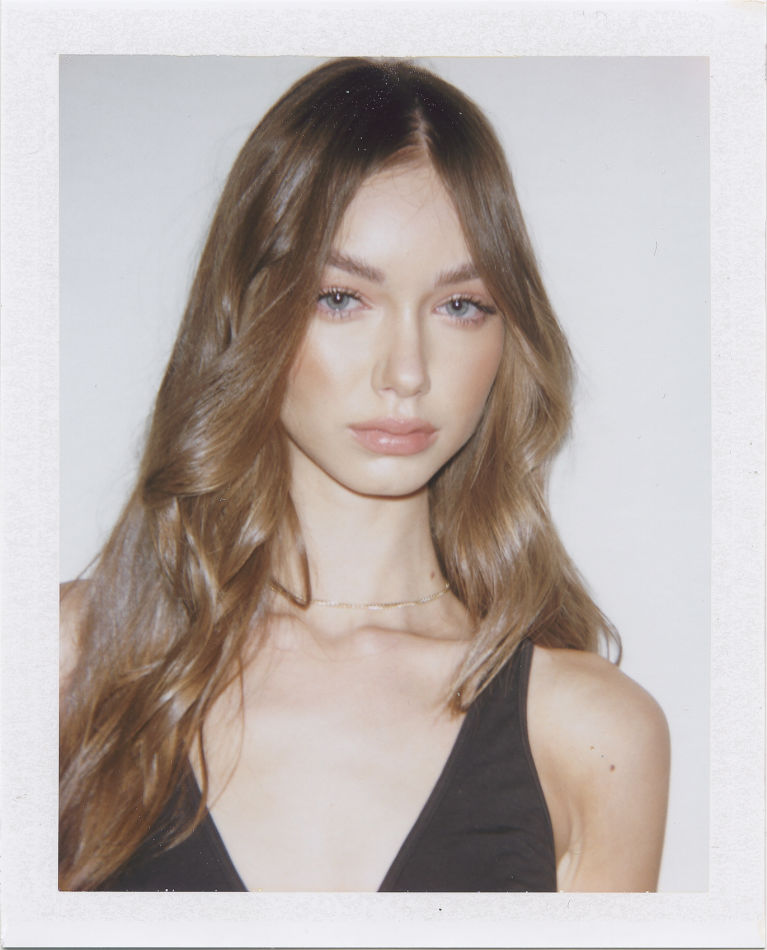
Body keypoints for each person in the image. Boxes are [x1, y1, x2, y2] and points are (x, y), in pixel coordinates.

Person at [59, 56, 670, 893]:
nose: (405, 372)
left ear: (508, 337)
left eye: (460, 305)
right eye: (340, 297)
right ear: (246, 311)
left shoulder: (591, 734)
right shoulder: (64, 664)